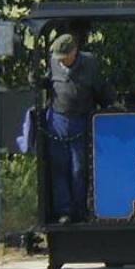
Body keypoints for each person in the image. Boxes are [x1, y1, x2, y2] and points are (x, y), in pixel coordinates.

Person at [47, 32, 116, 223]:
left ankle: (79, 211)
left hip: (81, 120)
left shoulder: (90, 64)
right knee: (59, 167)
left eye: (64, 57)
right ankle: (64, 211)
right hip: (58, 120)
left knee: (79, 168)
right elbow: (45, 83)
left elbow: (101, 89)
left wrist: (110, 104)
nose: (61, 61)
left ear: (74, 52)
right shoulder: (52, 62)